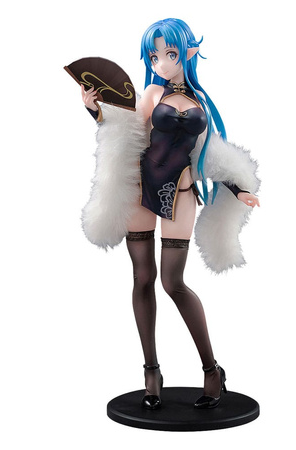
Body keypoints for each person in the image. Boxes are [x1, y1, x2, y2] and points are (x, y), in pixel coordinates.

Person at [79, 18, 260, 409]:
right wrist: (96, 112)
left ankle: (212, 370)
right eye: (155, 55)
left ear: (188, 53)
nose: (161, 62)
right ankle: (151, 372)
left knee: (173, 282)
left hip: (180, 193)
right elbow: (126, 133)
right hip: (141, 192)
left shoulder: (200, 101)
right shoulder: (151, 93)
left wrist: (238, 187)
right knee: (142, 277)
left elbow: (209, 153)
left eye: (170, 53)